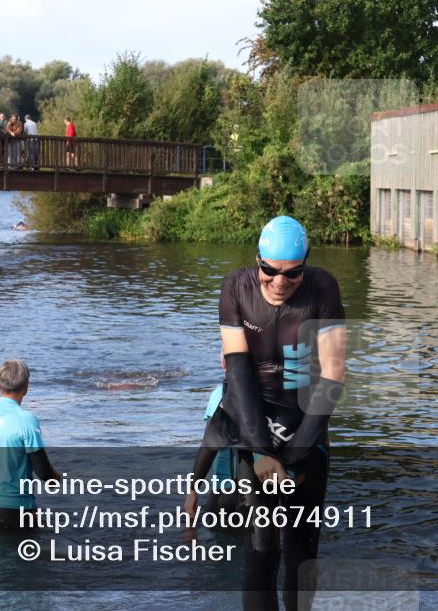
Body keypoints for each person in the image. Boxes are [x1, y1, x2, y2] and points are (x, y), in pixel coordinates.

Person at [186, 216, 346, 611]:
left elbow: (334, 373)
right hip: (254, 431)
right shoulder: (236, 288)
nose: (279, 282)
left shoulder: (323, 288)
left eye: (292, 274)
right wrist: (260, 452)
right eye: (269, 271)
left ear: (305, 265)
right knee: (260, 552)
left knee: (301, 554)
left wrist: (294, 456)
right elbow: (237, 374)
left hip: (305, 429)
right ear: (257, 259)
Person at [0, 359, 61, 531]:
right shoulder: (27, 420)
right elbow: (43, 473)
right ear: (26, 387)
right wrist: (57, 479)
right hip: (16, 509)